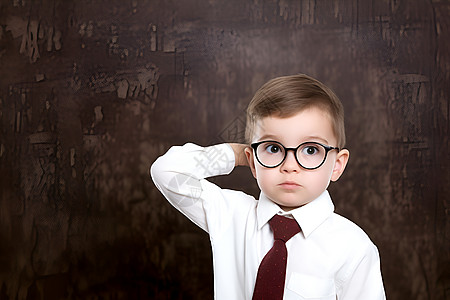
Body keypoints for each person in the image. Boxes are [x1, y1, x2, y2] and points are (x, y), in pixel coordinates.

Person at [150, 74, 386, 299]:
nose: (290, 165)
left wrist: (261, 153)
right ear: (253, 161)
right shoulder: (232, 216)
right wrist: (237, 155)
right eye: (273, 148)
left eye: (311, 149)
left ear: (337, 164)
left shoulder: (353, 247)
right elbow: (167, 172)